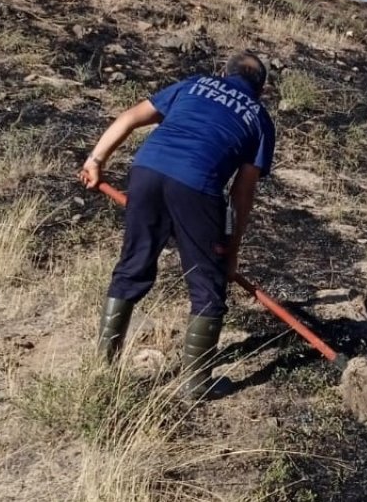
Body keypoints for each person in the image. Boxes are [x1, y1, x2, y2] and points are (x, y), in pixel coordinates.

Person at [77, 51, 276, 400]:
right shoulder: (259, 118)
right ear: (262, 89)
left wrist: (96, 160)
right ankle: (196, 386)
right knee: (207, 287)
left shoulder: (195, 84)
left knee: (133, 265)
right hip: (197, 186)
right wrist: (230, 254)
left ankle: (103, 367)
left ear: (222, 72)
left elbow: (129, 118)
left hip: (146, 170)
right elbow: (242, 193)